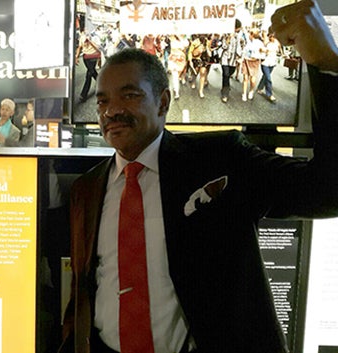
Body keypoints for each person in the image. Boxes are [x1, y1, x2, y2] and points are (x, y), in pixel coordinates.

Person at [60, 1, 338, 352]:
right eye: (102, 102)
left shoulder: (222, 160)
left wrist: (326, 63)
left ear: (162, 103)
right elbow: (88, 285)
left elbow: (328, 191)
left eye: (129, 95)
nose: (112, 110)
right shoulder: (87, 189)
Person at [257, 32, 284, 102]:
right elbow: (260, 50)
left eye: (274, 36)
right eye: (271, 36)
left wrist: (282, 54)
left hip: (272, 63)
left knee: (265, 76)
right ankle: (270, 94)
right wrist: (264, 51)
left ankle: (259, 88)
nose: (272, 38)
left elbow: (279, 50)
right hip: (265, 63)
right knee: (268, 78)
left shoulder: (277, 43)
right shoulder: (266, 43)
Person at [75, 30, 101, 103]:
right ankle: (102, 82)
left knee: (89, 74)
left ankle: (83, 95)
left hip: (93, 56)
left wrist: (90, 40)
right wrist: (76, 57)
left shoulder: (94, 36)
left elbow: (98, 47)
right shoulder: (82, 38)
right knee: (92, 72)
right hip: (86, 57)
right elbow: (79, 47)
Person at [220, 20, 242, 103]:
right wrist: (228, 38)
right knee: (226, 74)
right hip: (225, 58)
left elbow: (240, 47)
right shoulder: (225, 34)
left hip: (233, 60)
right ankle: (225, 93)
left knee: (229, 73)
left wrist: (239, 56)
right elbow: (224, 46)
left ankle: (225, 86)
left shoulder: (238, 36)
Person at [241, 28, 266, 101]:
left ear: (252, 35)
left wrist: (257, 57)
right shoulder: (248, 42)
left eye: (250, 34)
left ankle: (251, 91)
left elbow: (263, 53)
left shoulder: (259, 43)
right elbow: (244, 51)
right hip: (246, 60)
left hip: (254, 62)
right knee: (245, 78)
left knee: (253, 79)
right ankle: (244, 93)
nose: (249, 35)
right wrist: (242, 58)